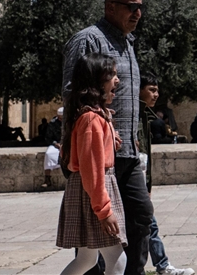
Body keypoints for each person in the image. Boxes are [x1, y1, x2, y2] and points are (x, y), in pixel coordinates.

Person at [63, 0, 154, 274]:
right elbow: (71, 93)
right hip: (93, 157)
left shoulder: (128, 44)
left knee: (141, 220)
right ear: (110, 7)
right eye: (132, 7)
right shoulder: (87, 40)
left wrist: (131, 136)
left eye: (141, 7)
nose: (138, 13)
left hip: (125, 152)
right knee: (93, 240)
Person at [58, 54, 128, 275]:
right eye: (111, 75)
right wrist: (104, 210)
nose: (116, 80)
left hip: (92, 192)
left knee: (87, 259)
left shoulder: (95, 117)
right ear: (97, 81)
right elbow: (91, 169)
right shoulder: (90, 120)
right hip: (95, 193)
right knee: (117, 261)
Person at [136, 72, 197, 275]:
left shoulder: (146, 117)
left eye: (157, 90)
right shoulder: (133, 118)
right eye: (151, 90)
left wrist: (148, 186)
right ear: (138, 90)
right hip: (130, 182)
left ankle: (161, 266)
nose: (156, 94)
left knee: (149, 225)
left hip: (140, 183)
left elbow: (147, 157)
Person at [44, 108, 65, 188]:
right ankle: (47, 178)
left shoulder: (69, 122)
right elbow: (48, 137)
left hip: (67, 143)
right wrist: (56, 144)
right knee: (49, 154)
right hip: (56, 144)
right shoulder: (52, 124)